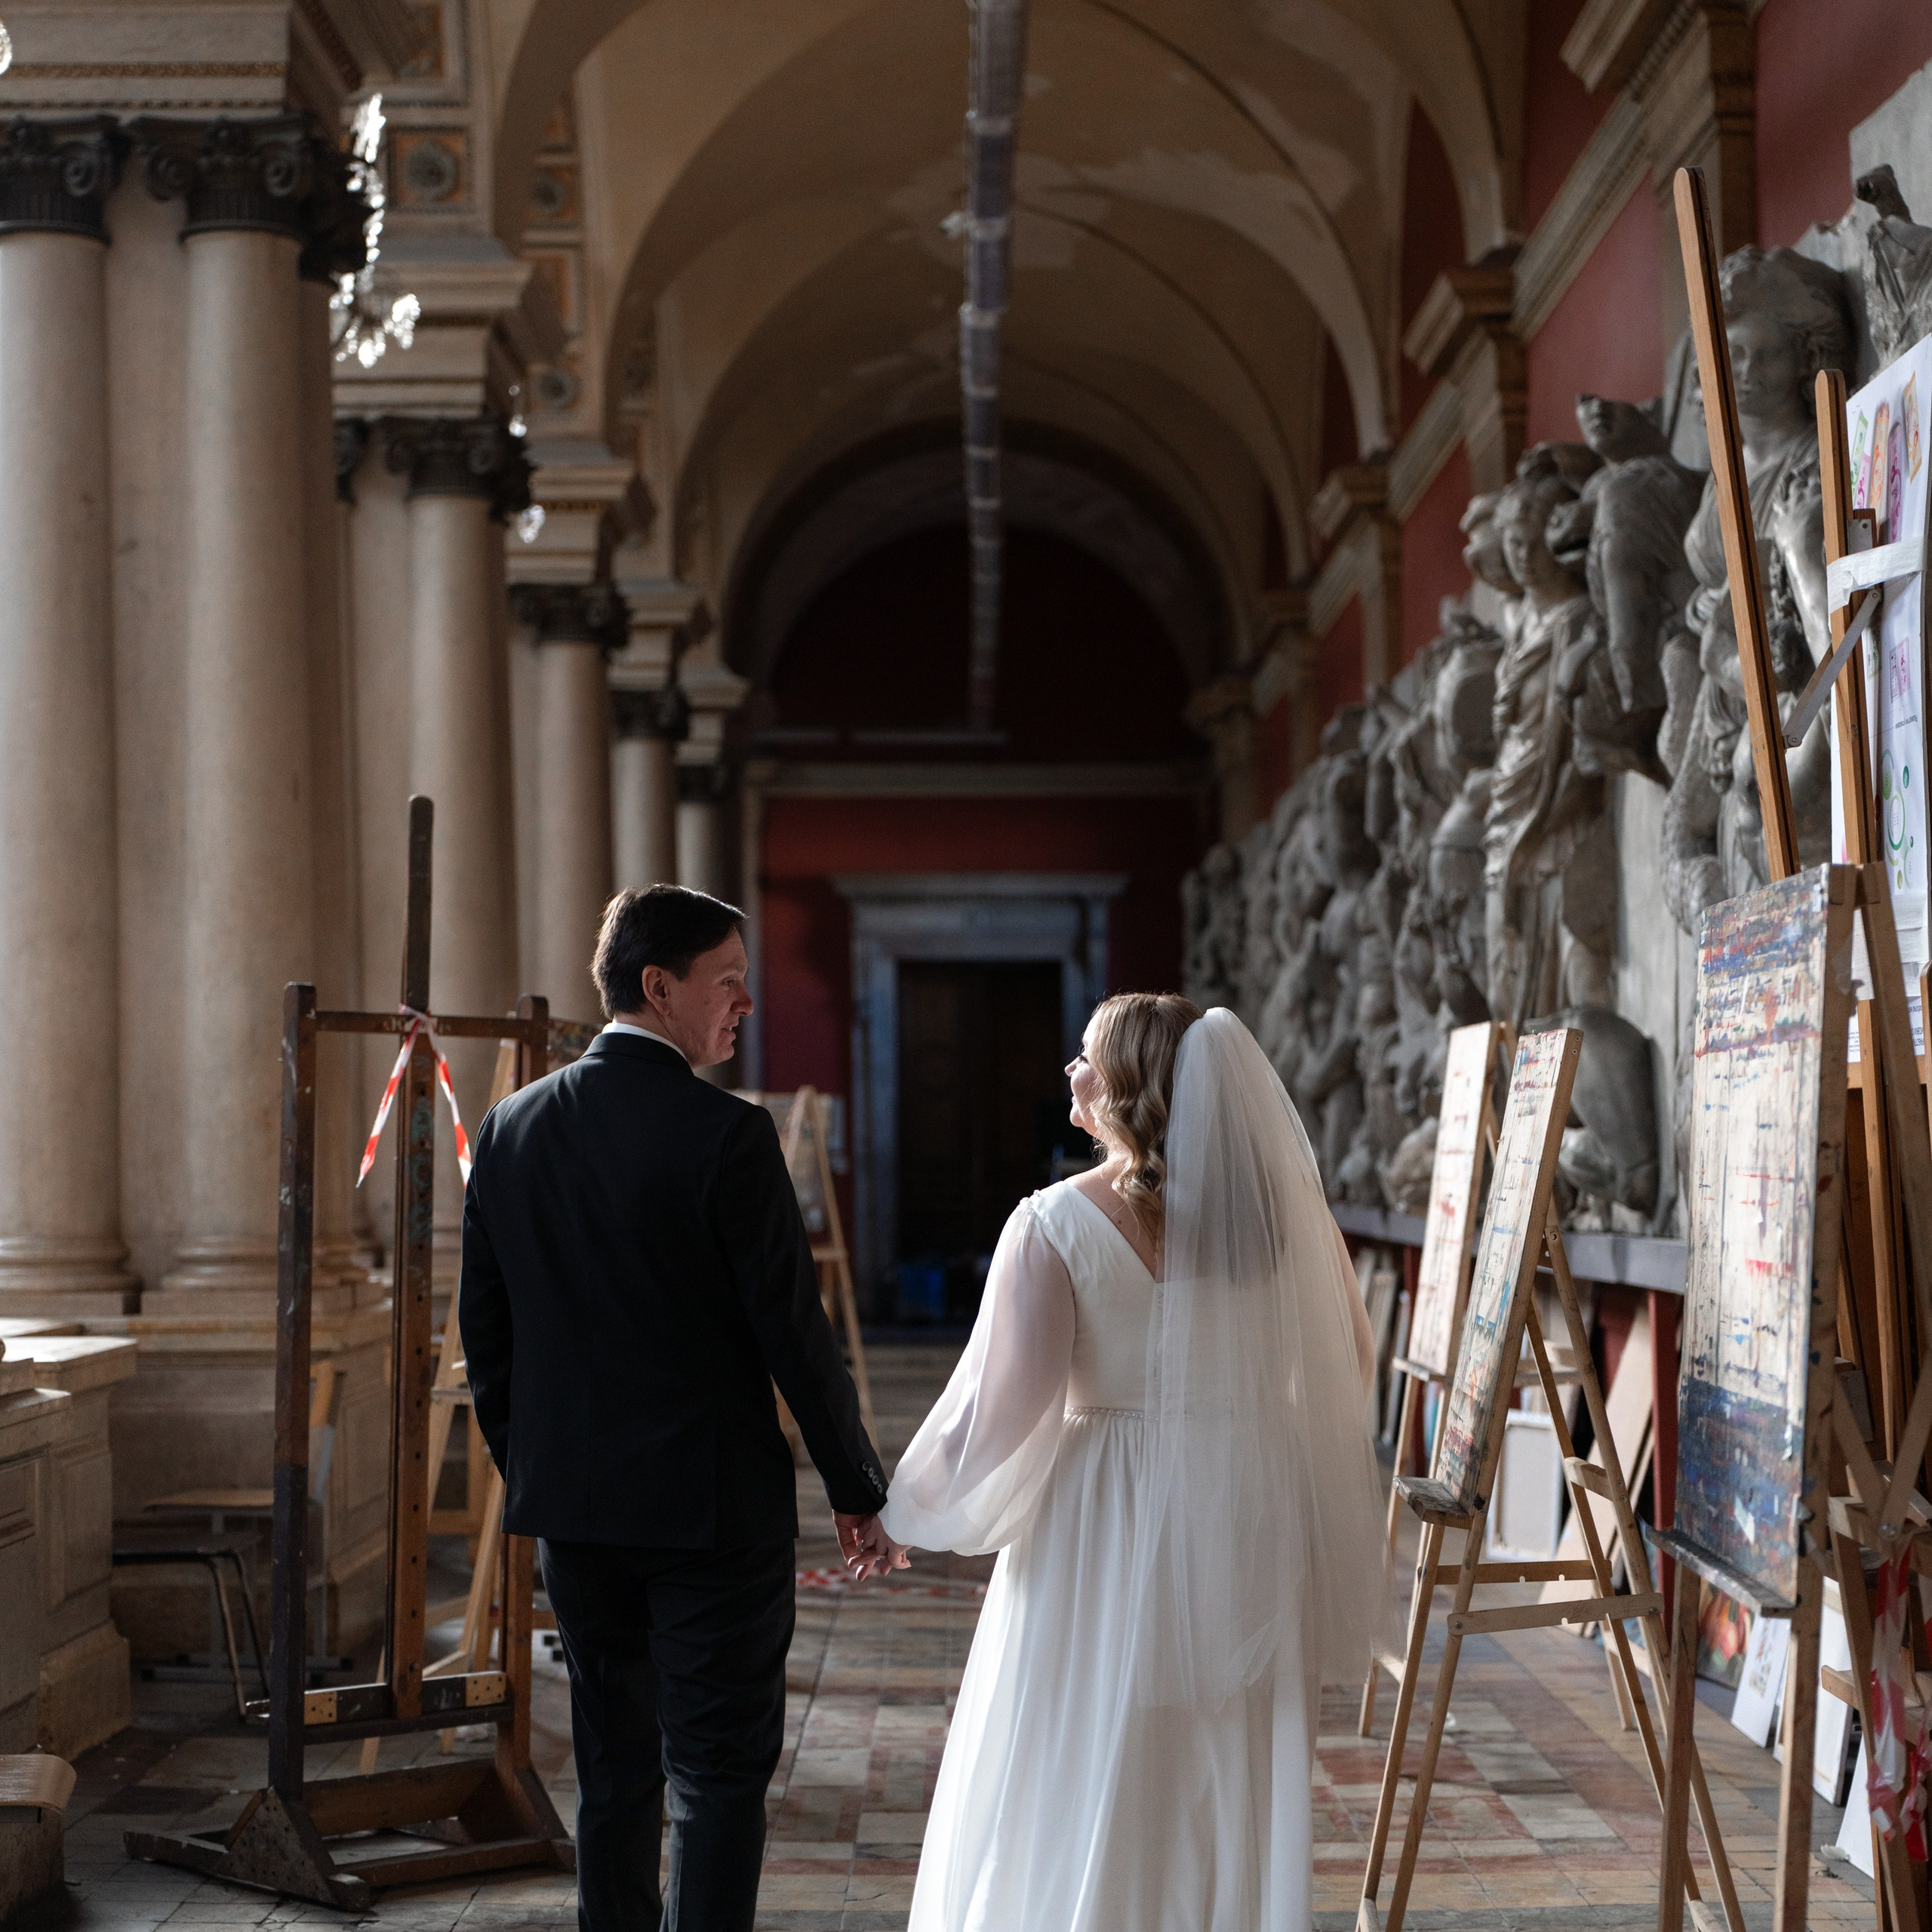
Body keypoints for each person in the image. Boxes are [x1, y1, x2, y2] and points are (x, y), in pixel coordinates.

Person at [875, 993, 1390, 1932]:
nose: (1070, 1072)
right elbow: (1350, 1362)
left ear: (1127, 1086)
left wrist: (904, 1507)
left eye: (1086, 1055)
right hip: (1243, 1488)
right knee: (1219, 1740)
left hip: (1106, 1504)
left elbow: (1002, 1410)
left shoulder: (1053, 1222)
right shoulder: (1279, 1219)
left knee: (1087, 1731)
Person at [460, 885, 894, 1932]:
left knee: (613, 1771)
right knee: (716, 1776)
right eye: (729, 984)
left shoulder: (510, 1130)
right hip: (712, 1519)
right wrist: (856, 1490)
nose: (746, 1005)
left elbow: (490, 1337)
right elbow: (797, 1336)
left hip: (578, 1511)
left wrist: (540, 1467)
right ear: (661, 987)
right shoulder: (729, 1139)